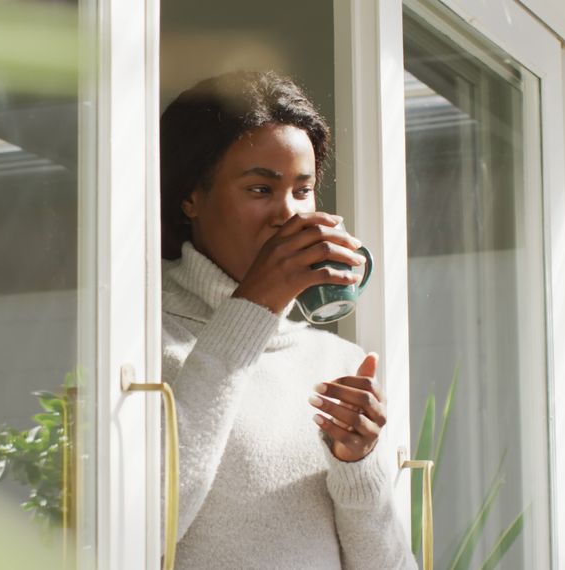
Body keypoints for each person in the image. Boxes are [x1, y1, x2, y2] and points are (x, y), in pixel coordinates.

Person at [160, 70, 416, 569]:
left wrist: (355, 465)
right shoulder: (137, 339)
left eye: (303, 191)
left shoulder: (338, 363)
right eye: (260, 189)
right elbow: (137, 531)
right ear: (191, 196)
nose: (289, 215)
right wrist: (254, 305)